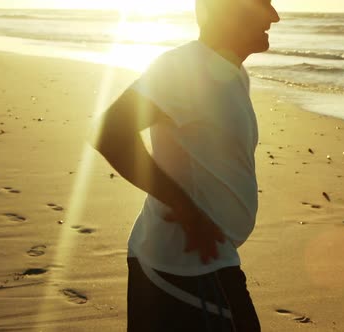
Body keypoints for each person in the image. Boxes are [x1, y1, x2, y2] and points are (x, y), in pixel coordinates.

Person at [89, 0, 280, 330]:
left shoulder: (232, 72)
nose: (275, 16)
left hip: (202, 262)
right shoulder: (184, 69)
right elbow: (110, 132)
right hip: (183, 265)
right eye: (263, 3)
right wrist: (187, 211)